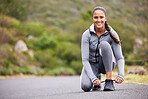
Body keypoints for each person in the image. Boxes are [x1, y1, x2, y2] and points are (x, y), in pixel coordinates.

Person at [80, 6, 125, 92]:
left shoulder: (112, 33)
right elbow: (85, 60)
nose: (99, 20)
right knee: (85, 86)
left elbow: (119, 58)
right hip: (92, 64)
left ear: (105, 18)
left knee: (104, 44)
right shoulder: (86, 34)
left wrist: (121, 75)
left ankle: (108, 81)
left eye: (101, 17)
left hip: (106, 64)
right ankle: (97, 78)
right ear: (92, 19)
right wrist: (93, 78)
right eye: (96, 17)